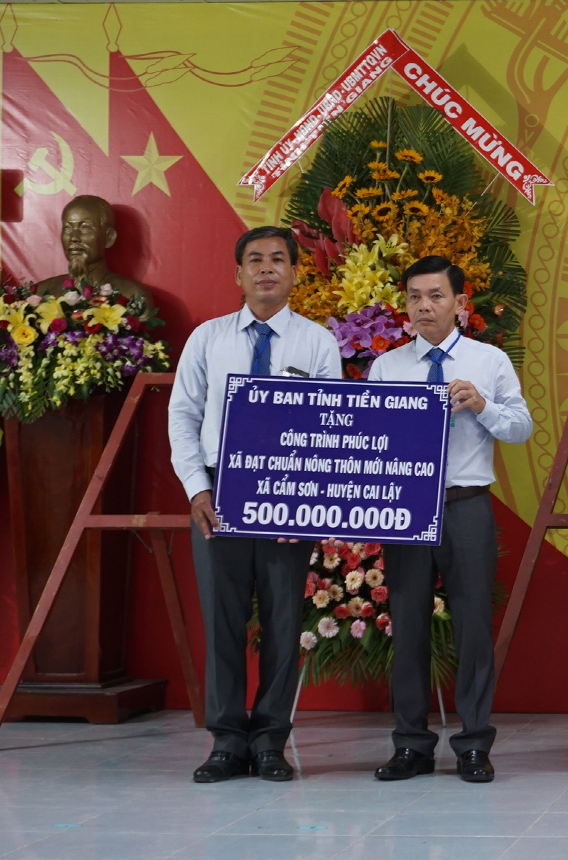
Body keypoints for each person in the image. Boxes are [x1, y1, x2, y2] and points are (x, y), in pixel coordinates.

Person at [169, 226, 341, 782]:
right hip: (219, 492)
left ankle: (270, 740)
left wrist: (306, 501)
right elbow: (183, 417)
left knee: (283, 617)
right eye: (254, 260)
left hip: (288, 497)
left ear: (295, 272)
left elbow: (328, 426)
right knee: (221, 618)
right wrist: (197, 488)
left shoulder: (317, 343)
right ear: (237, 274)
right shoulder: (207, 339)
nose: (266, 269)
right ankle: (225, 741)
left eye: (278, 260)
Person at [369, 256, 533, 783]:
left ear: (461, 304)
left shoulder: (489, 361)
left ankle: (473, 745)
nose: (424, 306)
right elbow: (366, 441)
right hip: (405, 510)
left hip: (466, 505)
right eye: (415, 296)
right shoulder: (388, 367)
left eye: (436, 296)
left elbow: (521, 428)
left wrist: (483, 405)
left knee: (471, 629)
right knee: (409, 626)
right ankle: (411, 745)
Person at [35, 195, 153, 305]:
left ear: (109, 237)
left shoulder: (133, 295)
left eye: (85, 228)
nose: (74, 238)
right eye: (67, 228)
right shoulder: (40, 293)